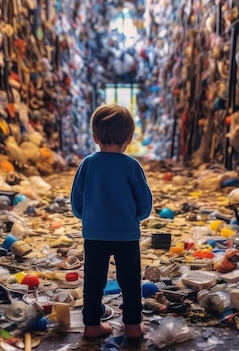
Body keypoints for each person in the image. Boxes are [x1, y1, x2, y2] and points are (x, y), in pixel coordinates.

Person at [70, 104, 153, 341]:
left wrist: (88, 218)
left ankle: (92, 325)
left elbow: (77, 201)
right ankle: (133, 326)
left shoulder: (87, 164)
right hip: (126, 234)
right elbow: (144, 203)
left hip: (94, 234)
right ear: (129, 137)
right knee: (129, 280)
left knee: (94, 279)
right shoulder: (132, 166)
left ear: (95, 137)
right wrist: (133, 218)